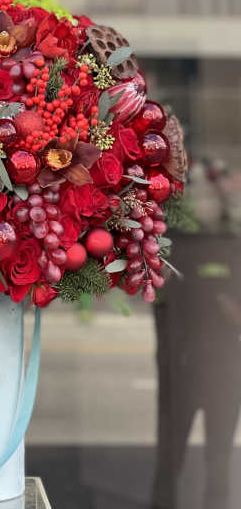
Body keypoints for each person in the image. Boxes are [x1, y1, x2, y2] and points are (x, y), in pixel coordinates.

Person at [151, 159, 241, 509]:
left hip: (224, 369)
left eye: (210, 195)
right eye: (197, 195)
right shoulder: (175, 248)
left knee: (219, 459)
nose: (205, 203)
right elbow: (158, 301)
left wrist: (225, 306)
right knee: (169, 459)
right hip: (180, 365)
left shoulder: (233, 248)